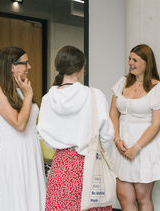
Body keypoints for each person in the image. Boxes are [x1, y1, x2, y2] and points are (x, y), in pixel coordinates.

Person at [37, 46, 114, 211]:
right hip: (89, 166)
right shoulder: (94, 95)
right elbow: (107, 135)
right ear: (81, 69)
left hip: (60, 167)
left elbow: (44, 137)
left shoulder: (48, 99)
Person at [110, 44, 160, 210]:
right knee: (124, 197)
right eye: (129, 59)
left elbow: (157, 123)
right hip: (122, 146)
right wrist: (117, 138)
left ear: (147, 63)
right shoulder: (122, 82)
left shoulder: (158, 88)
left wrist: (136, 147)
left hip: (144, 148)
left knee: (142, 197)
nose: (130, 63)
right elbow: (113, 114)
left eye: (135, 60)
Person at [0, 46, 46, 211]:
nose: (29, 67)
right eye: (25, 63)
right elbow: (19, 124)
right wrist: (28, 95)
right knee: (19, 200)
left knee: (35, 197)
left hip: (31, 149)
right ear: (12, 67)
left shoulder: (19, 90)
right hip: (13, 153)